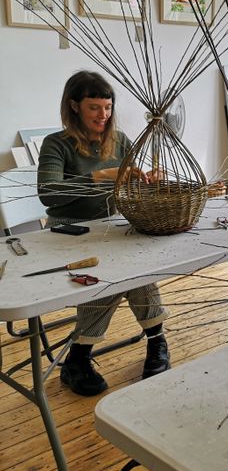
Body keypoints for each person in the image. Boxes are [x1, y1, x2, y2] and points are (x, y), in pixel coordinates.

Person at [38, 71, 170, 396]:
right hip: (66, 232)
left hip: (110, 227)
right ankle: (147, 343)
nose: (103, 115)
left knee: (136, 268)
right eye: (94, 107)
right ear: (74, 106)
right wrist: (98, 177)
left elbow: (125, 189)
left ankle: (92, 355)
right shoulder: (57, 144)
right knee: (111, 275)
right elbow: (49, 192)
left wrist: (144, 180)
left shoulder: (120, 140)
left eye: (108, 107)